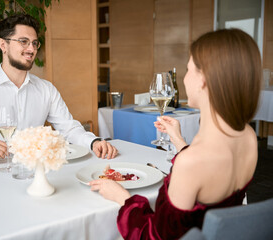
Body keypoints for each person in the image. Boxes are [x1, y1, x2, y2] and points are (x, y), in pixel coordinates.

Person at [89, 28, 261, 239]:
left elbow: (155, 237)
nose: (185, 79)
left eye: (188, 70)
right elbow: (208, 173)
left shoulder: (191, 163)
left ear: (203, 80)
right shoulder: (248, 137)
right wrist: (179, 141)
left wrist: (123, 198)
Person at [0, 14, 118, 164]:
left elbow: (69, 128)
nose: (31, 49)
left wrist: (93, 142)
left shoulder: (46, 89)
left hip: (37, 173)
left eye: (34, 43)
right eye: (23, 41)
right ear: (3, 45)